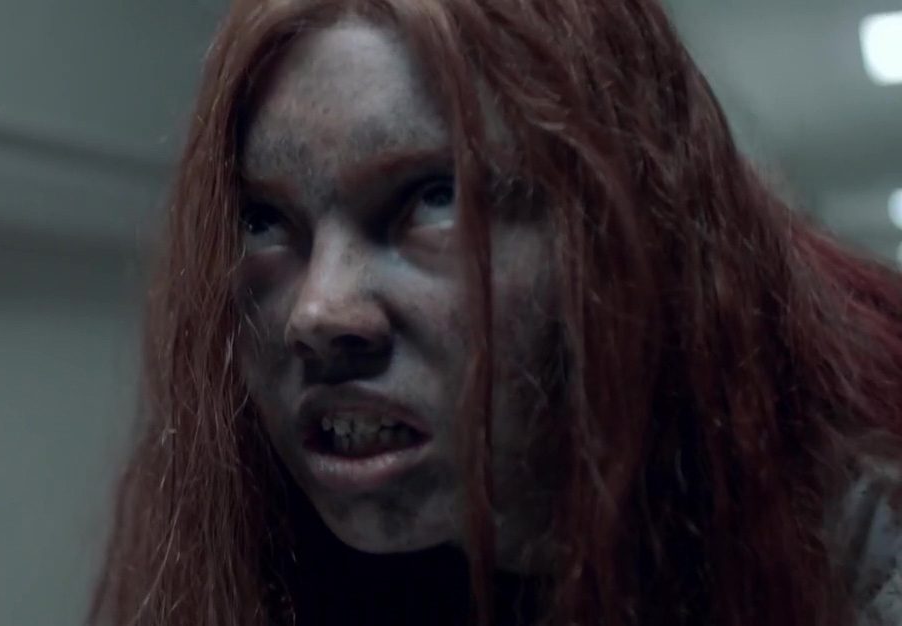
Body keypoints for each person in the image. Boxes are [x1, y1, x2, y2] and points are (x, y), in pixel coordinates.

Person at [89, 0, 902, 624]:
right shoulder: (269, 564)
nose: (319, 310)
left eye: (434, 199)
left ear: (621, 235)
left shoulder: (860, 554)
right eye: (264, 221)